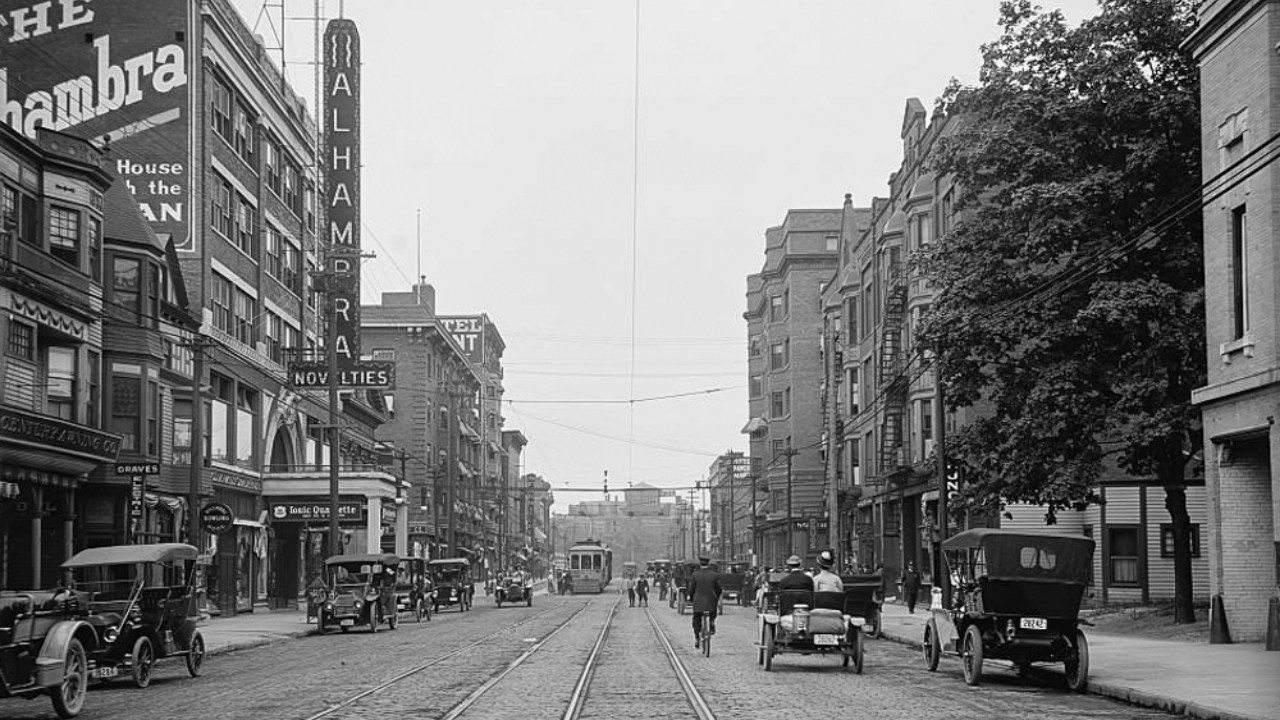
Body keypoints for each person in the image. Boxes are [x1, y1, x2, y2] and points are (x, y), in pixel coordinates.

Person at [686, 556, 722, 648]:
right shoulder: (714, 575)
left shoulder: (695, 575)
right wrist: (716, 598)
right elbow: (718, 589)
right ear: (708, 564)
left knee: (696, 619)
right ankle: (712, 622)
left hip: (698, 602)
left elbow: (692, 589)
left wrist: (691, 599)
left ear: (700, 564)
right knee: (712, 613)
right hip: (711, 601)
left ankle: (697, 637)